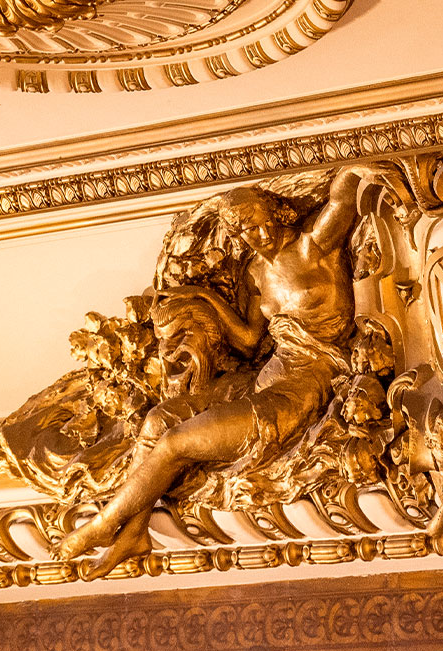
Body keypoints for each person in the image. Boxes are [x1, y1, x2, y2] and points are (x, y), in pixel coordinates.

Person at [57, 166, 364, 577]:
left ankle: (102, 524)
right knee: (157, 421)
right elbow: (251, 341)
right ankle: (134, 530)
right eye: (243, 234)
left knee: (175, 444)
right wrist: (203, 296)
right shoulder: (257, 271)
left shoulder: (313, 247)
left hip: (304, 383)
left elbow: (343, 197)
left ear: (274, 214)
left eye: (256, 226)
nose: (254, 238)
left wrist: (368, 160)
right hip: (268, 374)